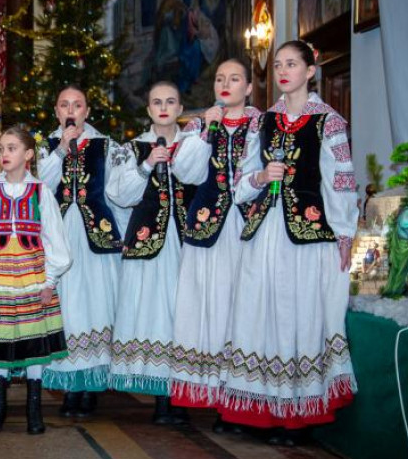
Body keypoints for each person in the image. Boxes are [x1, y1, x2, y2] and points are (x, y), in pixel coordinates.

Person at [220, 40, 359, 445]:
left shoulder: (328, 122)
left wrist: (345, 232)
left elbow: (340, 182)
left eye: (291, 64)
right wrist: (262, 178)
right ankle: (260, 408)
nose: (282, 71)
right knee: (258, 312)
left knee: (299, 314)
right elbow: (239, 183)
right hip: (266, 233)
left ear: (310, 70)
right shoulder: (262, 122)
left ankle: (298, 413)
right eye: (278, 64)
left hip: (307, 237)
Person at [169, 60, 262, 431]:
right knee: (203, 306)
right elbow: (185, 173)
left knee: (238, 308)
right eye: (220, 78)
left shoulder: (261, 122)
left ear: (250, 87)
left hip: (245, 226)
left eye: (235, 78)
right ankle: (204, 395)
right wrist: (207, 128)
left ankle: (236, 399)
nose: (226, 84)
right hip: (205, 227)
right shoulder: (197, 125)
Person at [0, 126, 72, 435]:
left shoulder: (41, 192)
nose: (5, 154)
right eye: (1, 149)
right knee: (0, 336)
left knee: (32, 337)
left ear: (28, 155)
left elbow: (55, 240)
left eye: (11, 148)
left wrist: (50, 281)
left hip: (32, 276)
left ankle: (33, 409)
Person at [109, 81, 207, 424]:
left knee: (183, 313)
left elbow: (200, 178)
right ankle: (163, 397)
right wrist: (147, 163)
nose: (163, 108)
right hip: (148, 242)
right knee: (154, 314)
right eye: (156, 102)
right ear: (148, 109)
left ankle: (183, 391)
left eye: (170, 101)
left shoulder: (194, 145)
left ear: (181, 108)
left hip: (186, 241)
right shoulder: (132, 147)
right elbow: (119, 194)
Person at [38, 85, 127, 417]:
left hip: (96, 240)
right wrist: (61, 148)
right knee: (66, 309)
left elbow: (119, 193)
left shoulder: (107, 146)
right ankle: (68, 387)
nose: (71, 110)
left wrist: (124, 234)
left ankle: (91, 386)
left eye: (77, 104)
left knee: (95, 306)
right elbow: (39, 186)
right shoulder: (45, 146)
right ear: (57, 111)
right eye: (64, 105)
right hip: (58, 237)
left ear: (87, 111)